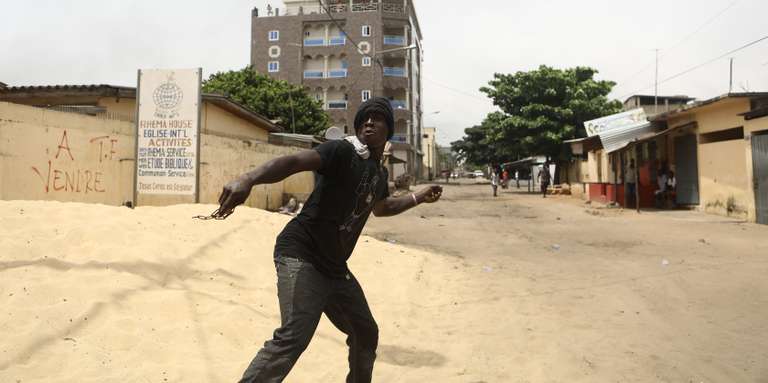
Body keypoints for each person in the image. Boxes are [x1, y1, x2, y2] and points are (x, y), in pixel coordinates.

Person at [215, 97, 444, 383]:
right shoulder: (342, 151)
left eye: (378, 118)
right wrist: (248, 178)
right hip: (302, 254)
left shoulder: (377, 172)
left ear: (389, 130)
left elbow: (383, 207)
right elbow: (294, 161)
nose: (369, 122)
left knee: (365, 332)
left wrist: (418, 196)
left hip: (335, 268)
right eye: (364, 118)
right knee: (293, 337)